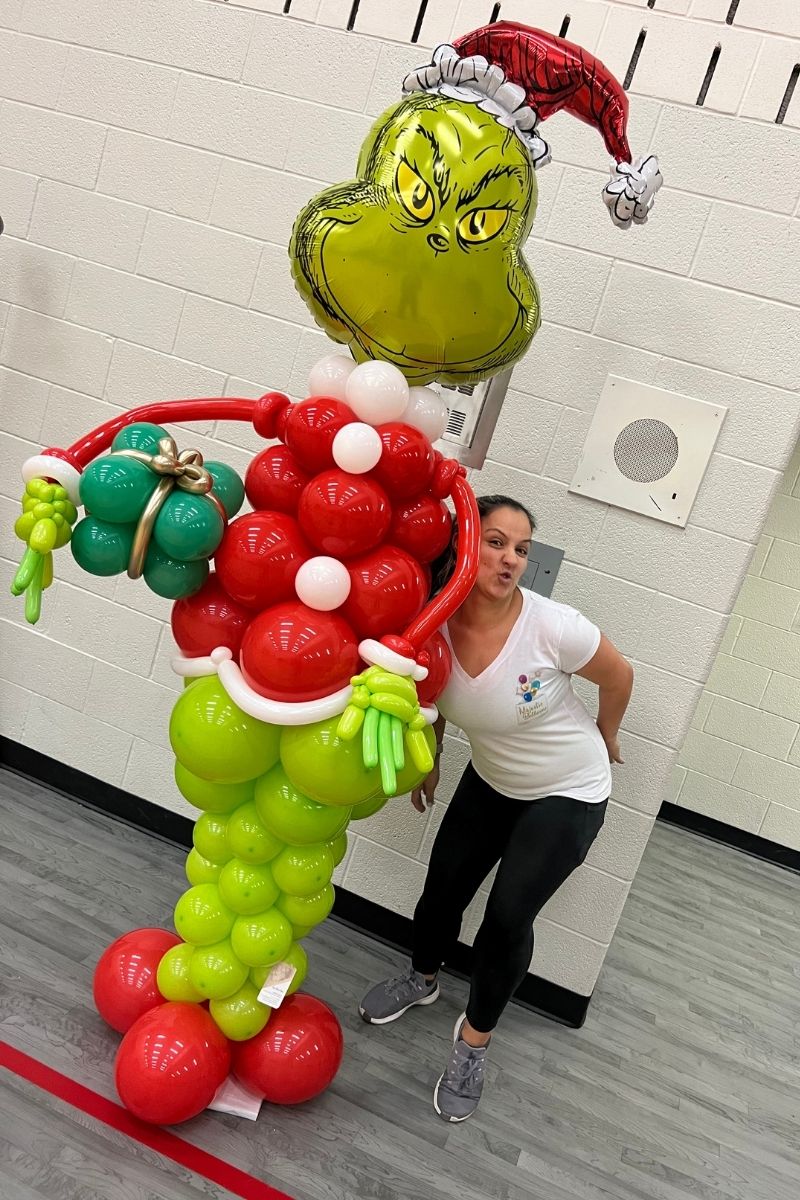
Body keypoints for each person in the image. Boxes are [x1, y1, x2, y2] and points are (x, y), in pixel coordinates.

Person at [358, 495, 634, 1123]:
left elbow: (619, 676)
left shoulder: (553, 625)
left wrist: (608, 735)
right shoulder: (427, 622)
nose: (510, 558)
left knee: (507, 918)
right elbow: (427, 692)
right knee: (441, 892)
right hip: (490, 781)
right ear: (463, 544)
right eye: (496, 541)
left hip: (568, 790)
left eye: (522, 549)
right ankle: (423, 979)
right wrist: (429, 749)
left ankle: (473, 1043)